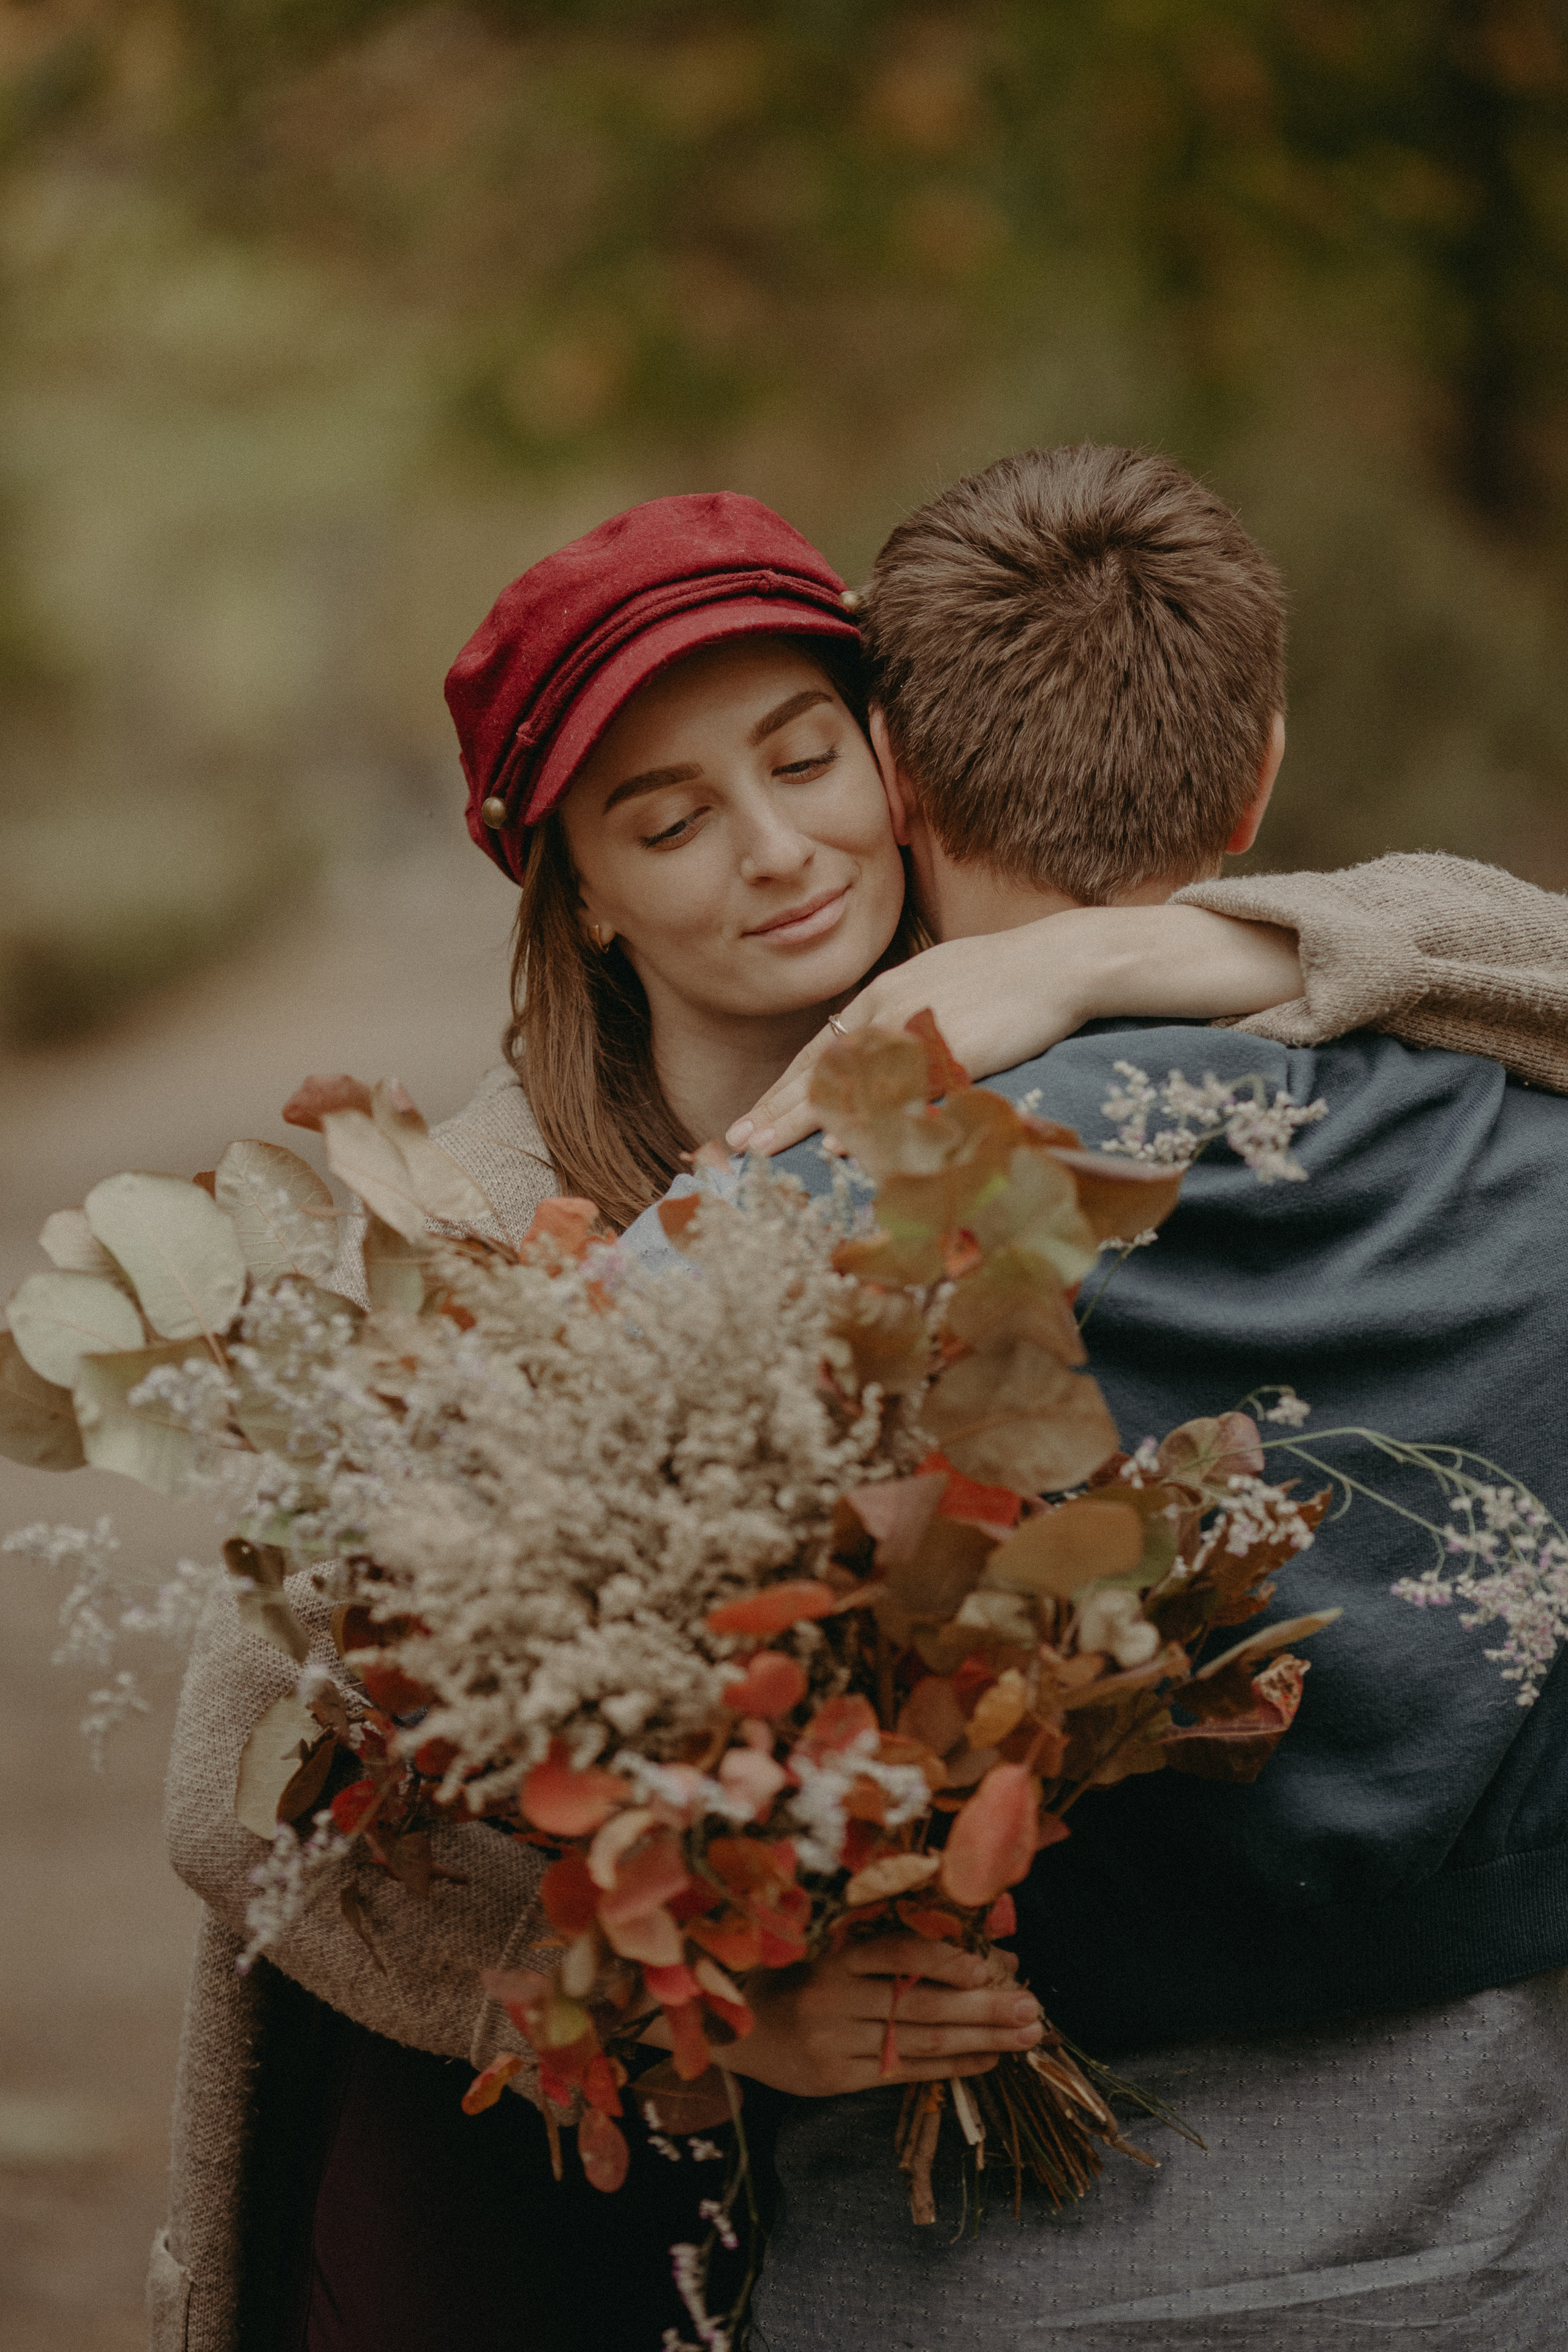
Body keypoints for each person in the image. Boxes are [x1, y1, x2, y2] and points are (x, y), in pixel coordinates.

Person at [151, 486, 1568, 2352]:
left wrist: (1137, 954)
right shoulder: (509, 1245)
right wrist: (666, 2009)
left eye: (806, 760)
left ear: (900, 758)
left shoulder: (1094, 1066)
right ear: (577, 885)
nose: (774, 852)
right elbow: (247, 1779)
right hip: (620, 2224)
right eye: (666, 822)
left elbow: (1478, 940)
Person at [624, 448, 1568, 2352]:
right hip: (1507, 2221)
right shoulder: (1533, 1132)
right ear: (1265, 766)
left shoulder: (778, 1230)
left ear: (897, 785)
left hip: (969, 2253)